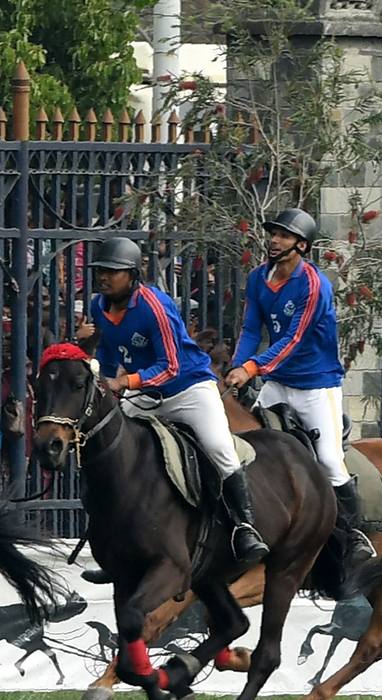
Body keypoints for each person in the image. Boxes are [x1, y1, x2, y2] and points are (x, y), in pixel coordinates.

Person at [80, 236, 268, 584]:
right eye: (101, 271)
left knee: (219, 449)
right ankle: (115, 545)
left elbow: (169, 367)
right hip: (145, 393)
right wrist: (104, 379)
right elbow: (106, 356)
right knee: (113, 450)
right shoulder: (97, 305)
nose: (104, 277)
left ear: (132, 275)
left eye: (112, 271)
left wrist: (124, 383)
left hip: (189, 388)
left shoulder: (155, 304)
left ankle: (245, 528)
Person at [224, 208, 375, 566]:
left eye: (284, 236)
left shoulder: (313, 284)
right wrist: (236, 365)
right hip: (277, 382)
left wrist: (251, 367)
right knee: (248, 446)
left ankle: (356, 536)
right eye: (273, 234)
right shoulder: (259, 277)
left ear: (302, 245)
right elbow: (250, 329)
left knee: (328, 461)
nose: (274, 240)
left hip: (315, 385)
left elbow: (294, 339)